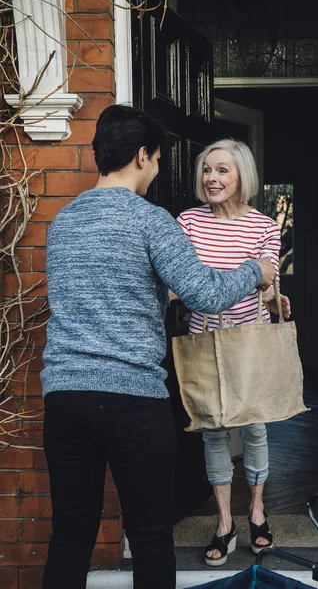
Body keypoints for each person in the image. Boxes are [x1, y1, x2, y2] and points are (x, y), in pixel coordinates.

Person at [40, 105, 276, 589]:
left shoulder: (62, 222)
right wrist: (258, 272)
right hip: (132, 400)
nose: (158, 170)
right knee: (149, 538)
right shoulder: (151, 221)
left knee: (69, 537)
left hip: (64, 400)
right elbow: (205, 293)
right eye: (159, 159)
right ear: (143, 156)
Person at [176, 138, 290, 567]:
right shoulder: (187, 221)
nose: (212, 178)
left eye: (222, 170)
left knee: (256, 427)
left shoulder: (264, 225)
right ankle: (225, 522)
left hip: (250, 338)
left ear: (243, 175)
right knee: (214, 430)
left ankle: (257, 509)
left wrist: (273, 296)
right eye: (207, 169)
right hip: (203, 337)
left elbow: (267, 278)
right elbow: (179, 279)